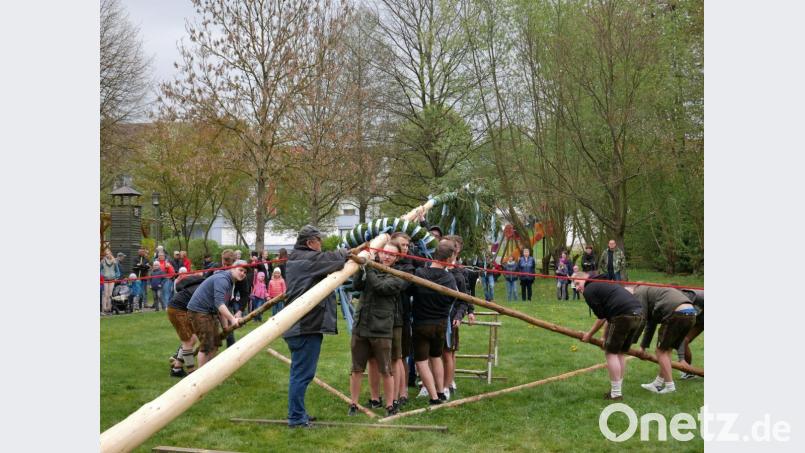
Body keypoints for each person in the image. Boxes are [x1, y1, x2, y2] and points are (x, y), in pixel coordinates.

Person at [282, 225, 350, 428]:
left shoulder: (300, 258)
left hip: (303, 326)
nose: (321, 245)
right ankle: (296, 418)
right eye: (319, 241)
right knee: (302, 375)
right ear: (310, 242)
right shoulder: (308, 259)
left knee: (300, 373)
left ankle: (298, 413)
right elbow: (335, 259)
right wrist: (346, 252)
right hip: (304, 327)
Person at [348, 242, 408, 417]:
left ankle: (389, 405)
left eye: (391, 255)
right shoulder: (370, 269)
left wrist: (369, 267)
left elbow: (380, 287)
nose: (386, 257)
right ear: (379, 254)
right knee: (357, 368)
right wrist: (360, 268)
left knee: (386, 369)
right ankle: (353, 403)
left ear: (397, 258)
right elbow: (356, 286)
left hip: (381, 329)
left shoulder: (398, 277)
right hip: (361, 326)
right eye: (384, 253)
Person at [575, 271, 643, 400]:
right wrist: (604, 337)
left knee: (610, 353)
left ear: (585, 279)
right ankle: (616, 391)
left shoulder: (589, 290)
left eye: (578, 283)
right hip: (639, 315)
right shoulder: (603, 283)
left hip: (623, 316)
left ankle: (616, 393)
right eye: (574, 285)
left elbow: (601, 318)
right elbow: (608, 317)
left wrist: (589, 335)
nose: (577, 287)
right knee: (620, 352)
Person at [411, 240, 458, 405]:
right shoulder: (449, 278)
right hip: (440, 325)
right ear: (447, 259)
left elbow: (412, 292)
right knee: (436, 357)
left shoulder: (420, 273)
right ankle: (440, 391)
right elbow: (452, 298)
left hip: (421, 324)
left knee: (422, 361)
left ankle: (434, 397)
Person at [630, 285, 698, 394]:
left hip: (676, 313)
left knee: (660, 351)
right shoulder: (653, 292)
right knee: (667, 350)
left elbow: (642, 319)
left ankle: (670, 387)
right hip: (691, 314)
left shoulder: (639, 292)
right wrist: (643, 347)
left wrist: (631, 341)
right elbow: (650, 324)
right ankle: (657, 383)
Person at [186, 262, 246, 368]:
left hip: (210, 312)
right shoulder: (223, 279)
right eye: (240, 270)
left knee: (215, 344)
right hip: (199, 311)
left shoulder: (230, 282)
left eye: (245, 272)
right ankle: (201, 377)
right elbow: (219, 304)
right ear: (232, 268)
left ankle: (210, 372)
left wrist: (226, 327)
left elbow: (222, 308)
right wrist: (232, 319)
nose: (243, 273)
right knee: (207, 345)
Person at [441, 235, 475, 400]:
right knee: (438, 354)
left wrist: (467, 312)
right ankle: (438, 383)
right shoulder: (436, 268)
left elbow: (465, 294)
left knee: (449, 352)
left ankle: (448, 383)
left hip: (452, 317)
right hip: (437, 317)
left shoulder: (459, 272)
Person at [167, 272, 204, 377]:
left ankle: (177, 369)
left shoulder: (202, 286)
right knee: (188, 341)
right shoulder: (203, 288)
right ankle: (192, 372)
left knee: (192, 339)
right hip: (177, 310)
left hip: (183, 309)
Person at [678, 289, 704, 379]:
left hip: (701, 317)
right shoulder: (680, 299)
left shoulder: (697, 299)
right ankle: (689, 371)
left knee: (683, 340)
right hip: (700, 318)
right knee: (683, 340)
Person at [100, 248, 121, 314]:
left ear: (110, 253)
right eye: (106, 254)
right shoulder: (102, 261)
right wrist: (102, 275)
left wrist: (116, 277)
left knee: (110, 294)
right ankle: (104, 309)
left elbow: (118, 271)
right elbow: (99, 270)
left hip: (112, 279)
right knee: (105, 294)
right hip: (105, 279)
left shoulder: (114, 261)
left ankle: (109, 309)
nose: (107, 255)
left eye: (108, 253)